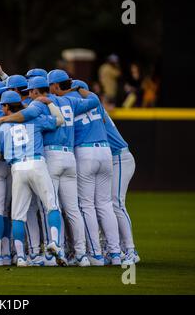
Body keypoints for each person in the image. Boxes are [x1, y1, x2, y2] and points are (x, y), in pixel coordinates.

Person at [0, 91, 65, 267]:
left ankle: (22, 258)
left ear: (7, 107)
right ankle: (54, 242)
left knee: (18, 215)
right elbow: (60, 120)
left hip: (17, 167)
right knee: (51, 205)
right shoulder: (35, 119)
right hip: (37, 163)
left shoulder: (1, 127)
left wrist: (9, 152)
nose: (1, 108)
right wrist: (50, 104)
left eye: (3, 105)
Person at [73, 79, 141, 265]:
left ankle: (130, 250)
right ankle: (112, 249)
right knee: (104, 205)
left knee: (115, 204)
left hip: (120, 157)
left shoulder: (88, 106)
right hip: (109, 158)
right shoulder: (94, 105)